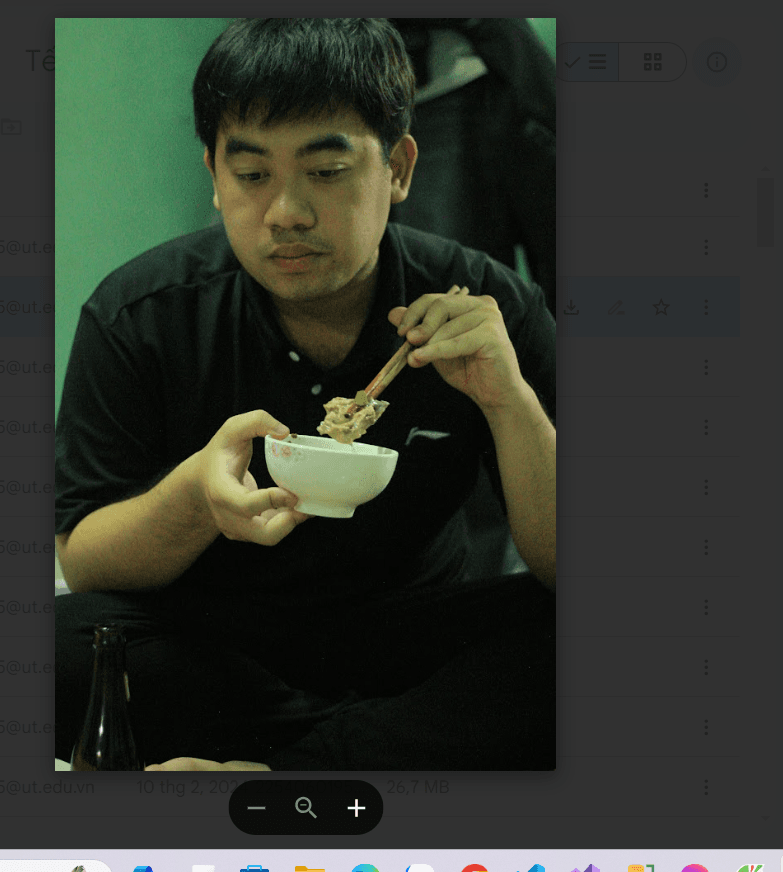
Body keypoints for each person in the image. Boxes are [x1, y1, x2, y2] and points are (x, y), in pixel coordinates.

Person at [55, 18, 556, 772]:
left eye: (325, 171)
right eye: (252, 175)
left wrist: (507, 400)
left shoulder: (485, 308)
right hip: (215, 642)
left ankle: (281, 767)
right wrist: (195, 500)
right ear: (214, 175)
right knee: (57, 642)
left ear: (398, 168)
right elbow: (85, 565)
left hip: (408, 632)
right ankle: (374, 750)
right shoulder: (141, 315)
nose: (285, 211)